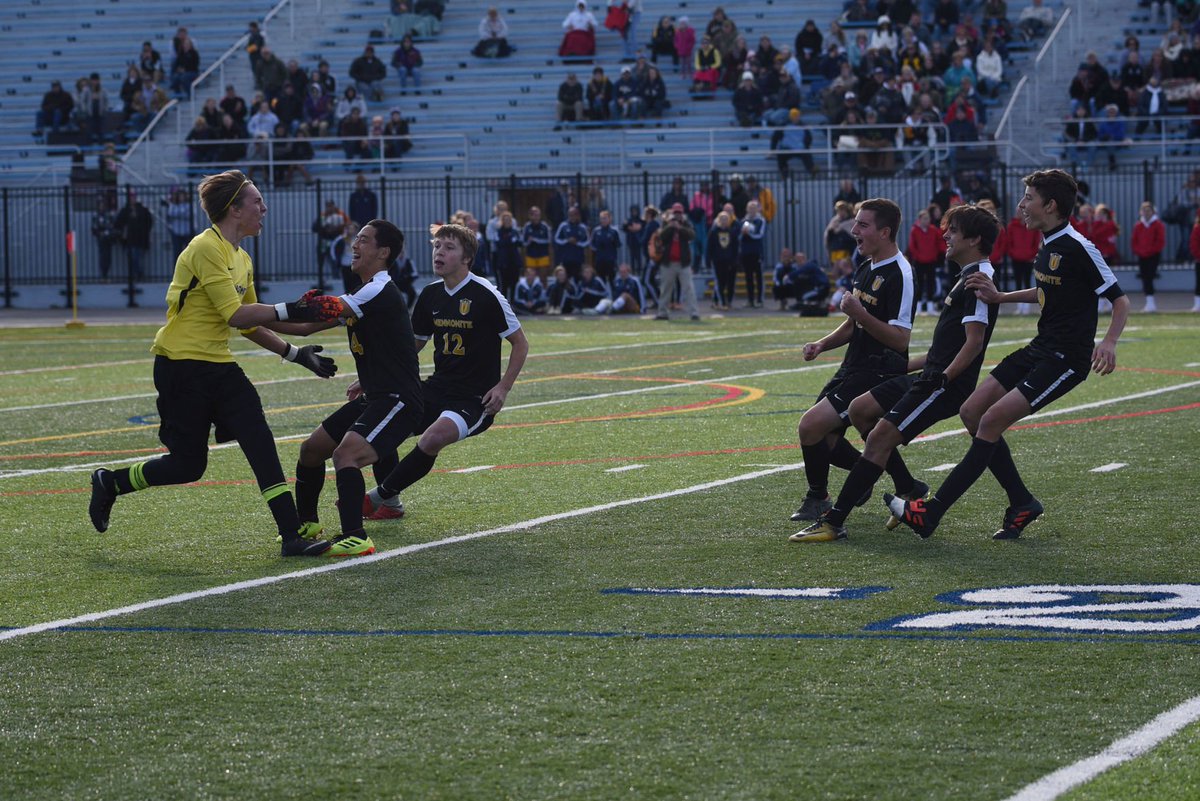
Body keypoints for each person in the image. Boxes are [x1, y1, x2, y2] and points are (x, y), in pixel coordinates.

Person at [88, 170, 336, 557]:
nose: (264, 208)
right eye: (256, 201)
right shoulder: (206, 247)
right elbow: (236, 315)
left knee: (260, 439)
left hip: (218, 366)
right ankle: (112, 482)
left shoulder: (242, 256)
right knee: (188, 467)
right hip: (181, 366)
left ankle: (291, 535)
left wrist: (299, 347)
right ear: (234, 209)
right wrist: (293, 309)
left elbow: (253, 321)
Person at [887, 170, 1129, 541]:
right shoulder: (1048, 243)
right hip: (1040, 348)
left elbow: (1119, 299)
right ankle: (1022, 502)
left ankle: (930, 513)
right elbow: (1046, 289)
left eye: (1028, 198)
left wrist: (1109, 342)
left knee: (990, 421)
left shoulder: (1079, 245)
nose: (1021, 205)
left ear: (1050, 205)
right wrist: (1001, 297)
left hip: (1065, 359)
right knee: (970, 410)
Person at [793, 204, 1002, 542]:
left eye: (953, 230)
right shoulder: (965, 277)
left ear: (974, 239)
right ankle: (908, 487)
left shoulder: (975, 279)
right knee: (857, 417)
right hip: (913, 374)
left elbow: (972, 344)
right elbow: (941, 349)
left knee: (872, 437)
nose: (944, 235)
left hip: (934, 382)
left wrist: (945, 376)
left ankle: (834, 517)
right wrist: (826, 343)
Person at [360, 223, 529, 519]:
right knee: (386, 426)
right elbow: (413, 345)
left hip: (474, 398)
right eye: (437, 246)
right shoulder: (430, 294)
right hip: (437, 388)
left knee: (432, 438)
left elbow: (520, 344)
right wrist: (373, 378)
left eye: (449, 248)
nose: (439, 253)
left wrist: (503, 388)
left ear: (467, 258)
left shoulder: (487, 294)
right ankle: (392, 504)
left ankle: (377, 497)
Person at [292, 220, 424, 557]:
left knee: (345, 454)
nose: (355, 245)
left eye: (363, 240)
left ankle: (356, 536)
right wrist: (251, 318)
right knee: (311, 449)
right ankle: (305, 525)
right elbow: (307, 327)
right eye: (356, 239)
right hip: (376, 395)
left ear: (383, 253)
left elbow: (324, 309)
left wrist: (255, 313)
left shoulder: (377, 289)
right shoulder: (362, 293)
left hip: (399, 399)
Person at [791, 198, 916, 523]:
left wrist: (860, 313)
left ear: (885, 232)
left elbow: (900, 339)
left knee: (810, 427)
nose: (854, 230)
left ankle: (819, 496)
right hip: (852, 366)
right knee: (825, 439)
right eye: (855, 223)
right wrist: (822, 344)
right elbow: (852, 325)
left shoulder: (900, 273)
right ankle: (897, 482)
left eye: (862, 225)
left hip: (877, 371)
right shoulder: (866, 265)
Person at [652, 203, 699, 320]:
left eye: (679, 213)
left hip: (683, 263)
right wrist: (670, 226)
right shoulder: (666, 223)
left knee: (689, 289)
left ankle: (694, 313)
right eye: (675, 213)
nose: (677, 215)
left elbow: (692, 235)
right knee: (665, 289)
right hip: (668, 263)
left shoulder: (687, 224)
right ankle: (662, 313)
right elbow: (661, 237)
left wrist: (680, 228)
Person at [1131, 201, 1166, 312]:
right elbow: (1134, 241)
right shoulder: (1138, 225)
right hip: (1142, 256)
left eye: (1148, 210)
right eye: (1144, 210)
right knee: (1145, 278)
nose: (1146, 213)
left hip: (1153, 255)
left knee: (1150, 277)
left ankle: (1151, 304)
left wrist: (1149, 251)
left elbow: (1160, 241)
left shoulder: (1158, 224)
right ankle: (1149, 303)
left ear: (1153, 212)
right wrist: (1139, 251)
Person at [908, 207, 943, 315]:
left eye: (928, 218)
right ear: (919, 219)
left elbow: (939, 244)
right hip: (919, 262)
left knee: (931, 284)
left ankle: (930, 307)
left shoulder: (934, 230)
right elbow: (912, 246)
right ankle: (918, 308)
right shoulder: (914, 230)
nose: (926, 220)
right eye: (924, 218)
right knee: (919, 284)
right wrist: (918, 256)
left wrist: (936, 254)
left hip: (931, 261)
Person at [115, 191, 153, 281]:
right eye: (130, 197)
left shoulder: (142, 209)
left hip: (140, 239)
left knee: (138, 257)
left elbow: (149, 221)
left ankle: (138, 275)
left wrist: (145, 231)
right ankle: (136, 275)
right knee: (132, 257)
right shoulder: (125, 210)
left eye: (133, 197)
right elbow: (118, 223)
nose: (132, 199)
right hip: (129, 239)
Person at [706, 211, 738, 310]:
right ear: (719, 220)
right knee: (719, 282)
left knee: (727, 282)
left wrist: (735, 260)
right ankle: (722, 302)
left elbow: (735, 247)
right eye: (722, 219)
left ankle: (720, 301)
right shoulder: (714, 232)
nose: (724, 221)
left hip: (728, 260)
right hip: (718, 260)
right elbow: (709, 247)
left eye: (726, 219)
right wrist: (708, 259)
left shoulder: (731, 232)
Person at [737, 200, 767, 307]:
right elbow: (739, 238)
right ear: (747, 209)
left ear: (758, 209)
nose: (752, 210)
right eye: (750, 208)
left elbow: (760, 235)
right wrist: (742, 233)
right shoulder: (742, 221)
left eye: (754, 208)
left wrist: (748, 233)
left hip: (756, 252)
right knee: (748, 277)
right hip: (746, 253)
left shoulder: (761, 221)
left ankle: (759, 300)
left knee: (758, 276)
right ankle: (750, 300)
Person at [554, 205, 590, 278]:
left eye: (574, 215)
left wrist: (577, 243)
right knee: (566, 279)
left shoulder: (582, 227)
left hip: (578, 259)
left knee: (578, 279)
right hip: (566, 258)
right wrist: (567, 241)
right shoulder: (563, 225)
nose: (572, 217)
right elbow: (556, 239)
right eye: (570, 215)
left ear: (577, 215)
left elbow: (588, 241)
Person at [91, 195, 119, 281]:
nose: (102, 206)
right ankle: (104, 274)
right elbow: (94, 228)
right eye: (100, 204)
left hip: (109, 239)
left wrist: (110, 232)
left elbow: (113, 225)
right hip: (101, 239)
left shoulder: (109, 214)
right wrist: (100, 233)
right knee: (103, 256)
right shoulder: (96, 215)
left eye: (103, 204)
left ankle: (106, 273)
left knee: (108, 256)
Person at [164, 188, 195, 261]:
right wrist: (182, 212)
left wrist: (177, 214)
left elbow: (189, 215)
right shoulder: (173, 204)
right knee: (177, 253)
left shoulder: (189, 205)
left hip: (188, 232)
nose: (181, 197)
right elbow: (170, 213)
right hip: (176, 233)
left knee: (189, 253)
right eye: (180, 196)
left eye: (182, 196)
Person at [591, 209, 622, 282]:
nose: (603, 220)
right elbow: (591, 244)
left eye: (605, 218)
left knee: (612, 281)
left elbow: (618, 244)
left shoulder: (614, 231)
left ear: (609, 219)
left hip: (610, 260)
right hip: (600, 260)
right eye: (601, 218)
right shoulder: (596, 230)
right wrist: (597, 248)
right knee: (601, 281)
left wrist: (611, 242)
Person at [522, 206, 553, 279]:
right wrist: (529, 241)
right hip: (530, 255)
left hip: (543, 255)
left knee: (543, 277)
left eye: (537, 215)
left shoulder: (544, 226)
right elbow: (523, 242)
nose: (536, 217)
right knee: (531, 277)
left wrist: (536, 240)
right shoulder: (527, 226)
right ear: (530, 216)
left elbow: (549, 240)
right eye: (534, 215)